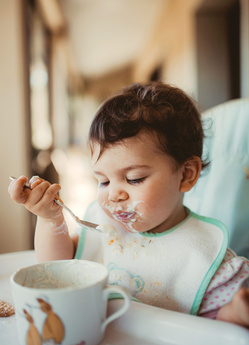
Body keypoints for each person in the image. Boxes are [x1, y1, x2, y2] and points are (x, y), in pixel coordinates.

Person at [8, 82, 249, 327]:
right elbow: (58, 268)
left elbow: (219, 327)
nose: (113, 195)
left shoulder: (205, 259)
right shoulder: (106, 231)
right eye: (103, 181)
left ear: (186, 174)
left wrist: (235, 314)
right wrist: (49, 218)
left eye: (134, 179)